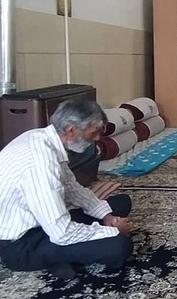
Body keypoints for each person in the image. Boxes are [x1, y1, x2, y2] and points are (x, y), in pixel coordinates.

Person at [0, 99, 133, 280]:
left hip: (42, 224)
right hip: (22, 245)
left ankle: (63, 259)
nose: (97, 139)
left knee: (121, 203)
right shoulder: (41, 165)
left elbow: (72, 189)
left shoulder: (44, 139)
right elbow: (61, 233)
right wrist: (113, 231)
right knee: (120, 247)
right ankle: (59, 259)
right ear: (71, 130)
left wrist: (106, 216)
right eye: (93, 132)